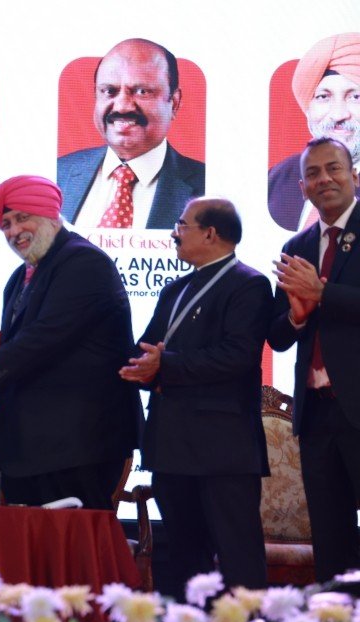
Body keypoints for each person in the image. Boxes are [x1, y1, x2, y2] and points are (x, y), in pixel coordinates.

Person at [0, 176, 140, 510]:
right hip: (28, 449)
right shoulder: (20, 277)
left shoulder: (85, 263)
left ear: (51, 215)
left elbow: (46, 338)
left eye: (22, 218)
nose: (14, 231)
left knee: (71, 541)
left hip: (76, 446)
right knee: (29, 542)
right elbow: (23, 354)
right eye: (6, 224)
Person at [121, 197, 270, 593]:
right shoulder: (175, 289)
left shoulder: (249, 284)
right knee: (184, 559)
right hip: (171, 443)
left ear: (210, 234)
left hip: (223, 449)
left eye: (182, 225)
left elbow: (237, 356)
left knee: (238, 557)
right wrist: (136, 367)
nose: (175, 234)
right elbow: (149, 348)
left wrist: (165, 366)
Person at [269, 137, 360, 581]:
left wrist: (323, 293)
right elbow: (277, 336)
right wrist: (297, 316)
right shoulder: (298, 245)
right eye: (312, 174)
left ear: (354, 176)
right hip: (317, 414)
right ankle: (335, 619)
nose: (324, 179)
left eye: (333, 168)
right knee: (330, 537)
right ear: (303, 188)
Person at [57, 38, 205, 230]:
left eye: (142, 91)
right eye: (109, 91)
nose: (122, 106)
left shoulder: (207, 186)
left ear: (174, 103)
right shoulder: (59, 173)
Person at [268, 33, 360, 231]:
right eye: (323, 97)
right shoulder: (278, 179)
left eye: (355, 97)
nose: (338, 114)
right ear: (308, 107)